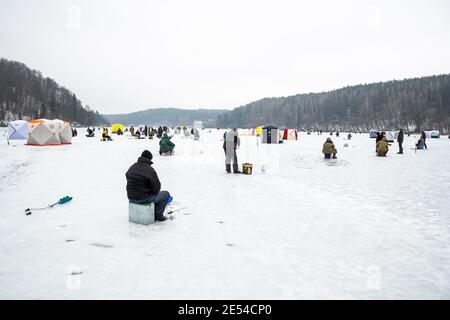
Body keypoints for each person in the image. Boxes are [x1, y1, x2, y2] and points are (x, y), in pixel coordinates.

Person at [126, 150, 170, 221]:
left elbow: (129, 177)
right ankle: (158, 216)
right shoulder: (150, 170)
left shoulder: (132, 167)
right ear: (149, 159)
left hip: (131, 197)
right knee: (165, 194)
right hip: (143, 198)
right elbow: (156, 188)